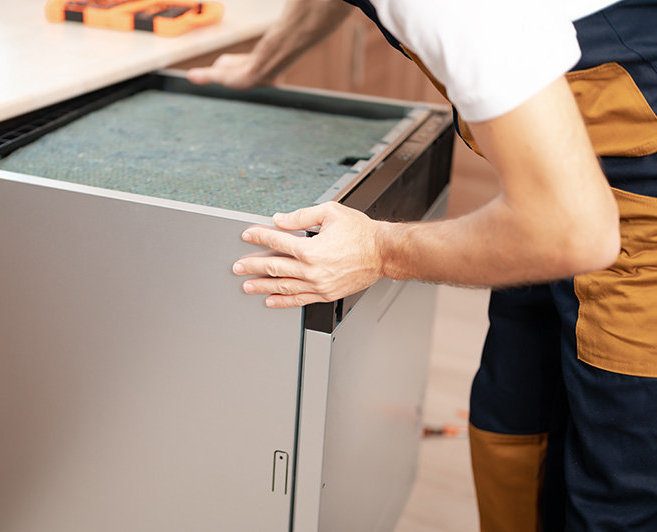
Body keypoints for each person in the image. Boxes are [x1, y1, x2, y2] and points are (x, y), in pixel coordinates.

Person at [188, 0, 657, 530]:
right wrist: (262, 62)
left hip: (633, 220)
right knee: (514, 429)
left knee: (619, 491)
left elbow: (572, 232)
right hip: (552, 176)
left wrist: (380, 251)